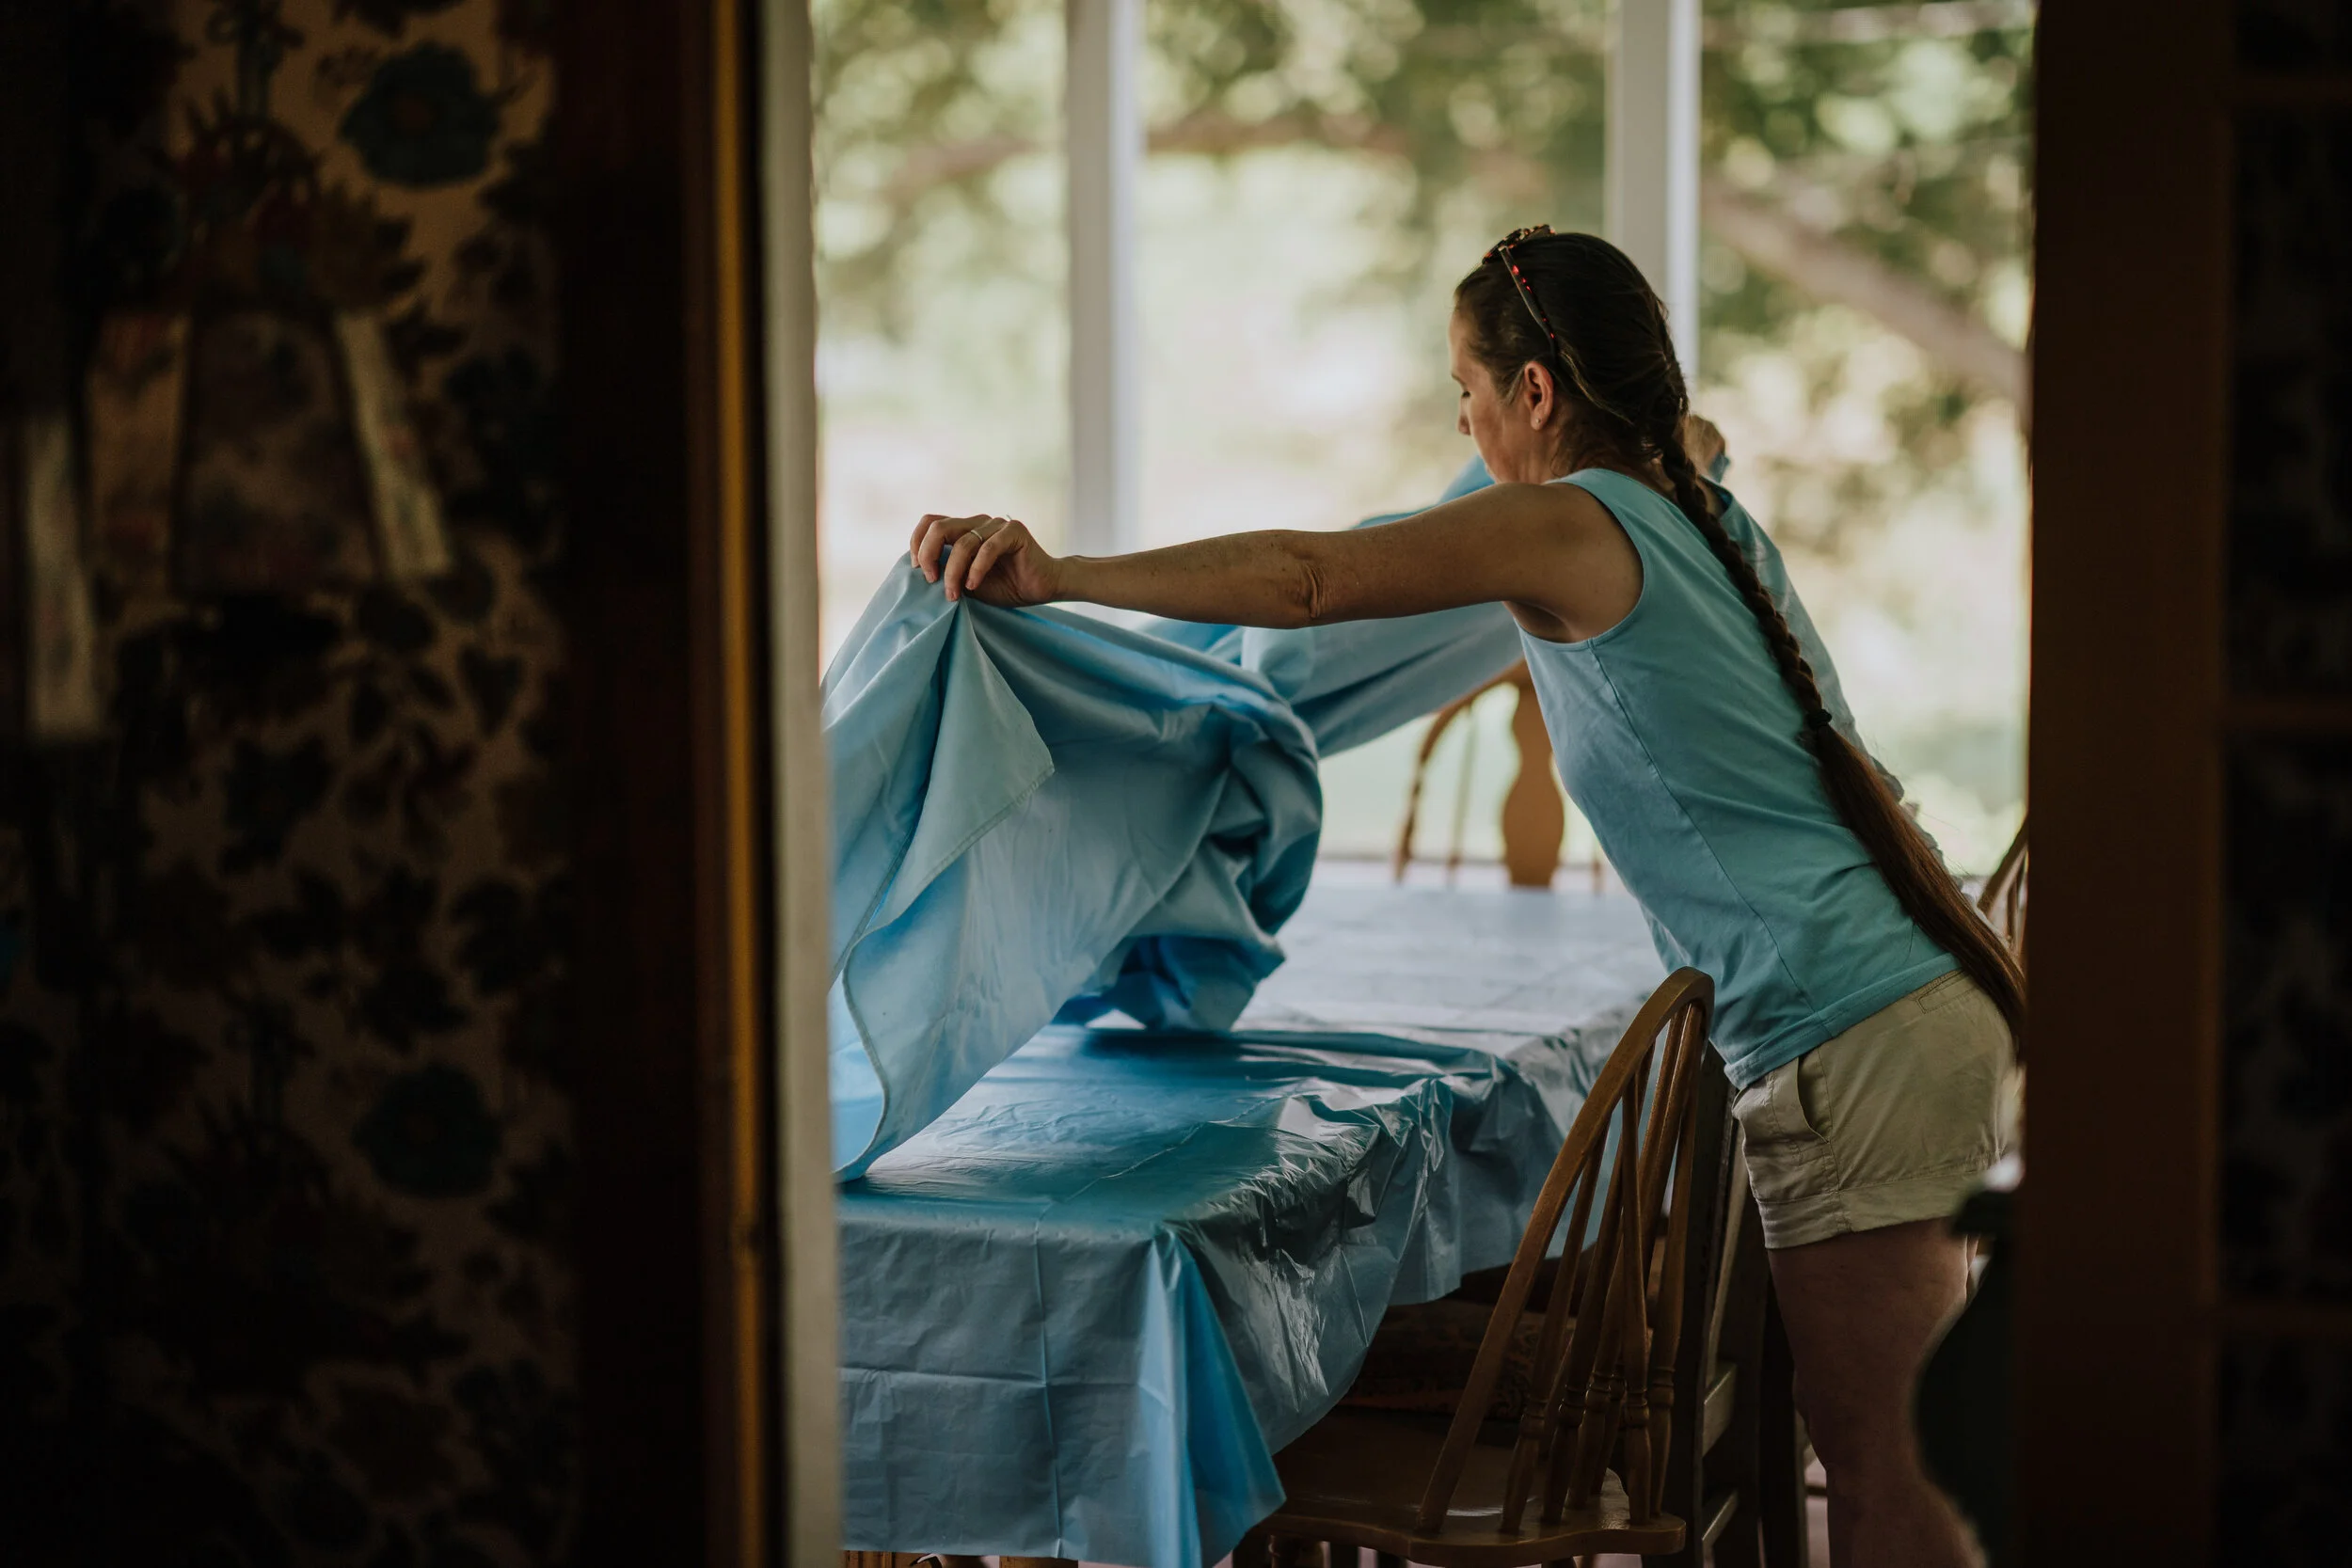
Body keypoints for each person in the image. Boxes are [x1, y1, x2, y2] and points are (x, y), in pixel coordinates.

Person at [907, 225, 2022, 1568]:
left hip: (1859, 1038)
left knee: (1899, 1492)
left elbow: (1313, 579)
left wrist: (1064, 578)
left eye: (1470, 389)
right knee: (1898, 1471)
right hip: (1888, 1007)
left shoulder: (1568, 522)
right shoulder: (1692, 503)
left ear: (1538, 394)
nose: (1465, 418)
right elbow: (1683, 441)